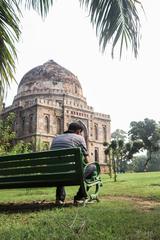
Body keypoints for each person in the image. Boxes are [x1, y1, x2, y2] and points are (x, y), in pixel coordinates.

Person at [50, 122, 96, 205]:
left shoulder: (56, 138)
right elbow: (86, 159)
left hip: (55, 173)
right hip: (72, 173)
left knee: (61, 168)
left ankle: (59, 199)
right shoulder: (79, 138)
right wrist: (90, 164)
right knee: (92, 167)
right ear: (78, 131)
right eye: (80, 132)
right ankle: (79, 197)